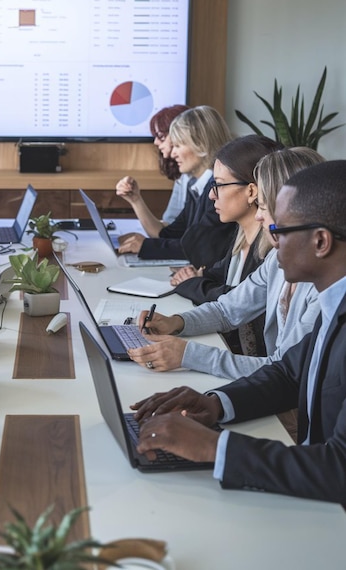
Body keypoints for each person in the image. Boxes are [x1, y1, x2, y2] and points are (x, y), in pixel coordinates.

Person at [131, 160, 346, 505]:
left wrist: (215, 447)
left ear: (320, 242)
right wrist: (214, 403)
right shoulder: (334, 295)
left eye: (281, 229)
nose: (270, 237)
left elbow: (339, 467)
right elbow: (290, 373)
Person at [129, 147, 324, 379]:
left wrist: (188, 355)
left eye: (263, 206)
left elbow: (283, 370)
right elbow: (227, 310)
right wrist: (176, 322)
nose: (259, 215)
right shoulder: (276, 260)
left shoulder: (323, 286)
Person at [117, 106, 237, 269]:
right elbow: (168, 234)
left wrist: (146, 246)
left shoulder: (218, 191)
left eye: (178, 146)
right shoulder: (196, 186)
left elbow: (198, 248)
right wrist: (135, 200)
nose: (173, 154)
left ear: (201, 145)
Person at [170, 134, 280, 306]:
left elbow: (238, 300)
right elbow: (215, 277)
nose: (211, 195)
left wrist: (191, 283)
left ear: (251, 192)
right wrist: (196, 277)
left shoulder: (272, 249)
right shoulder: (241, 238)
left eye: (219, 185)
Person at [116, 104, 189, 225]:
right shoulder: (183, 177)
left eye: (161, 136)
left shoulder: (205, 180)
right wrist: (136, 200)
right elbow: (169, 228)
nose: (155, 142)